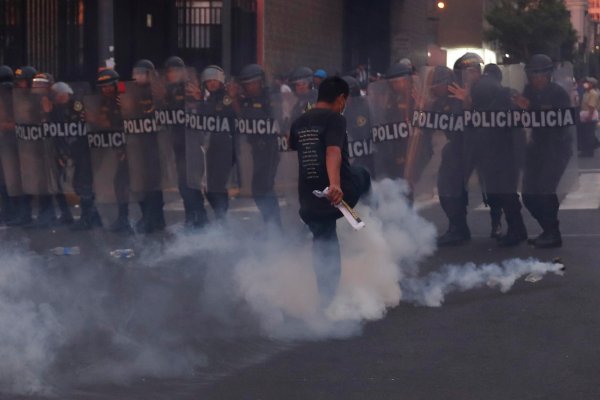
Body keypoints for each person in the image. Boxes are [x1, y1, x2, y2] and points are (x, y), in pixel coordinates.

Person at [289, 76, 371, 307]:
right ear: (341, 98)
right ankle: (371, 213)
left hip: (308, 198)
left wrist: (306, 121)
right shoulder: (336, 119)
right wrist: (335, 185)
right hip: (341, 192)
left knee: (324, 242)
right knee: (363, 173)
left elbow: (290, 144)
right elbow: (332, 151)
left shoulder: (300, 120)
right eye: (344, 101)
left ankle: (326, 299)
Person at [515, 54, 573, 248]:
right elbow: (523, 118)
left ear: (549, 75)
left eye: (541, 74)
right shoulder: (528, 91)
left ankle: (552, 232)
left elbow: (562, 124)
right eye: (534, 74)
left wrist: (533, 108)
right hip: (536, 147)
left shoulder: (558, 94)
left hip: (557, 148)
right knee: (529, 195)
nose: (537, 78)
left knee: (545, 190)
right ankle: (547, 228)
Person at [471, 75, 528, 246]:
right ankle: (515, 229)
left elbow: (517, 132)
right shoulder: (488, 106)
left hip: (505, 158)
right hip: (492, 157)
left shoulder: (508, 106)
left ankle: (517, 231)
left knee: (507, 195)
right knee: (500, 194)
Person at [233, 63, 282, 228]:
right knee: (257, 189)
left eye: (251, 83)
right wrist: (234, 98)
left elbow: (279, 120)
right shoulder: (246, 99)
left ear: (260, 82)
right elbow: (242, 117)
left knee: (265, 187)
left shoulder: (270, 98)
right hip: (255, 149)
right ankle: (270, 223)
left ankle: (275, 227)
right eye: (245, 84)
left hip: (270, 149)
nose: (248, 87)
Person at [50, 82, 102, 230]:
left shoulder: (77, 106)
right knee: (79, 184)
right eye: (57, 95)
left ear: (68, 93)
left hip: (83, 149)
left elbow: (88, 122)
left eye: (62, 94)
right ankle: (94, 217)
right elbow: (57, 133)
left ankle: (88, 218)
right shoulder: (56, 110)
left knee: (82, 183)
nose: (60, 97)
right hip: (71, 150)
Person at [163, 56, 208, 228]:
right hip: (178, 142)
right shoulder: (168, 91)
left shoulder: (191, 88)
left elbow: (202, 111)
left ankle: (199, 217)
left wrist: (197, 99)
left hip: (192, 142)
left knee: (192, 182)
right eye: (169, 71)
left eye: (175, 70)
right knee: (183, 184)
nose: (172, 74)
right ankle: (191, 217)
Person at [96, 68, 133, 234]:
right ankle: (124, 218)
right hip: (121, 146)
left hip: (134, 146)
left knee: (126, 182)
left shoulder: (123, 98)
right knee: (121, 182)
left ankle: (130, 219)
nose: (107, 89)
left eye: (109, 86)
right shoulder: (106, 103)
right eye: (103, 87)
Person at [199, 65, 236, 220]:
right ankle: (220, 216)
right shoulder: (208, 99)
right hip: (210, 149)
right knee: (208, 187)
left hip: (225, 148)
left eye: (215, 80)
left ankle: (222, 217)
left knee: (218, 185)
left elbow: (225, 109)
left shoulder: (227, 97)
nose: (212, 83)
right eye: (209, 81)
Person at [578, 77, 600, 157]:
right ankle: (586, 150)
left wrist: (589, 116)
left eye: (588, 82)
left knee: (589, 134)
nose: (585, 84)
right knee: (585, 134)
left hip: (590, 115)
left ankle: (589, 152)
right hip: (584, 115)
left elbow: (592, 106)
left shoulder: (593, 93)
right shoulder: (586, 93)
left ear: (592, 84)